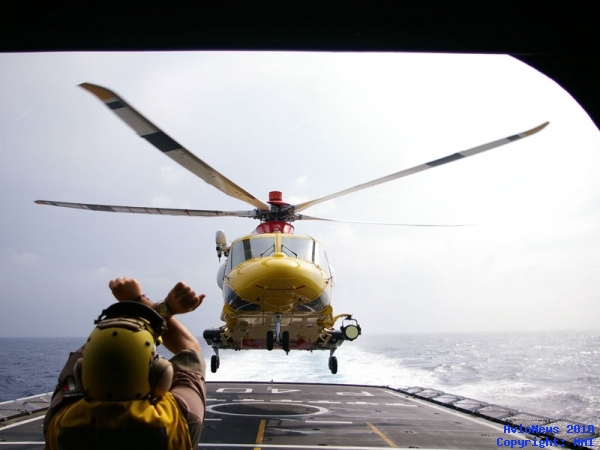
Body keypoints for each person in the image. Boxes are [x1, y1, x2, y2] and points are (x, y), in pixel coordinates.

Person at [43, 277, 207, 450]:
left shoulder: (59, 422)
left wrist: (158, 308)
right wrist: (142, 302)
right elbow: (190, 350)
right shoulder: (178, 421)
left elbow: (97, 349)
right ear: (158, 374)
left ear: (83, 370)